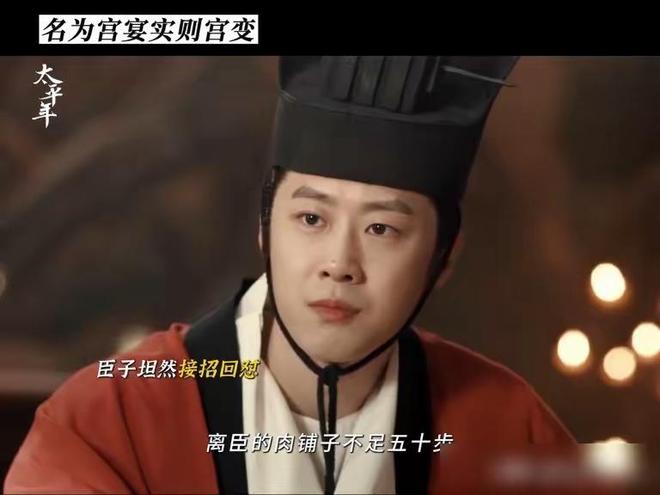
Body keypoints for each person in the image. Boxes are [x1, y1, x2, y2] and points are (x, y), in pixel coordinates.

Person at [5, 56, 575, 495]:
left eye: (382, 228)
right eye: (311, 219)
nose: (339, 264)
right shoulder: (110, 419)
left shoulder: (510, 428)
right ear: (265, 229)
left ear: (444, 257)